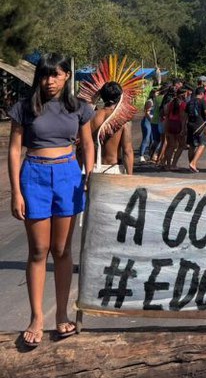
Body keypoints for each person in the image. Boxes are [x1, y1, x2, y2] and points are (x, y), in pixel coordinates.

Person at [7, 54, 95, 348]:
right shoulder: (24, 108)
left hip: (68, 177)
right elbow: (15, 150)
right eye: (44, 75)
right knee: (38, 251)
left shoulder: (79, 107)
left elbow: (87, 143)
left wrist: (89, 174)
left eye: (55, 75)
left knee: (61, 250)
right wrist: (16, 191)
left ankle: (61, 314)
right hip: (34, 177)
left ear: (67, 76)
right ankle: (36, 318)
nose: (50, 81)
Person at [89, 81, 134, 175]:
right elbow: (127, 151)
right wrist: (130, 177)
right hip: (113, 169)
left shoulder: (90, 116)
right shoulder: (122, 120)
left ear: (101, 96)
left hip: (92, 168)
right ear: (120, 97)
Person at [161, 88, 188, 170]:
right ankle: (173, 164)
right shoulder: (183, 104)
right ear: (184, 94)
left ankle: (167, 165)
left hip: (170, 124)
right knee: (181, 145)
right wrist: (183, 129)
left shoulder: (170, 103)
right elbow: (183, 118)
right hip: (178, 125)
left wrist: (166, 128)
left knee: (171, 146)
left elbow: (166, 115)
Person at [185, 87, 206, 173]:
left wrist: (184, 127)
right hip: (199, 126)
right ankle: (193, 163)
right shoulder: (202, 101)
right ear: (202, 94)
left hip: (190, 125)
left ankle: (191, 164)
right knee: (202, 144)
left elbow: (185, 116)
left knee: (192, 145)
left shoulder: (189, 102)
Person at [139, 89, 155, 162]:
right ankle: (141, 155)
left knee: (152, 139)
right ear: (153, 94)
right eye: (156, 93)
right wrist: (151, 119)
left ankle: (151, 155)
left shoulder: (155, 101)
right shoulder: (149, 101)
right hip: (147, 121)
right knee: (146, 138)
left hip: (153, 122)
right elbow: (146, 112)